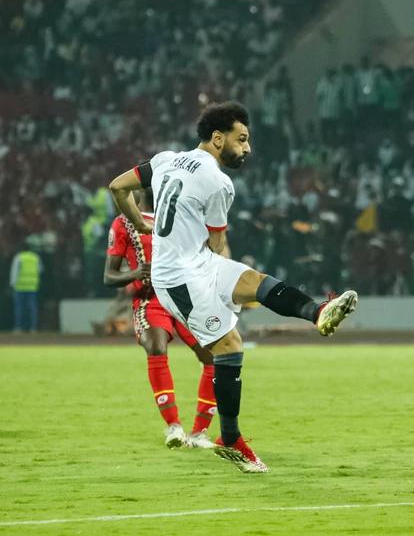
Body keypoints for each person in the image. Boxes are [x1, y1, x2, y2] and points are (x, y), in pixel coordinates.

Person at [108, 101, 358, 474]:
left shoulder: (165, 160)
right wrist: (220, 281)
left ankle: (318, 312)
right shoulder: (218, 182)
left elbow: (118, 187)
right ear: (217, 138)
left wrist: (141, 223)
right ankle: (230, 438)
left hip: (193, 262)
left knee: (254, 280)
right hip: (178, 276)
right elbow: (217, 243)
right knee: (229, 345)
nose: (247, 148)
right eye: (241, 140)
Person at [104, 188, 217, 449]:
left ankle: (199, 433)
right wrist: (135, 273)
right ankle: (174, 426)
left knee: (213, 357)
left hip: (184, 298)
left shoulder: (181, 216)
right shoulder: (124, 223)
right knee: (156, 347)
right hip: (150, 300)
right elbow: (109, 276)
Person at [10, 241, 43, 333]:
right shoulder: (35, 257)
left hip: (20, 286)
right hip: (32, 287)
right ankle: (33, 328)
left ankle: (19, 327)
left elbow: (14, 272)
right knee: (32, 308)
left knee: (19, 308)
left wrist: (12, 284)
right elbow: (40, 270)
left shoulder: (18, 257)